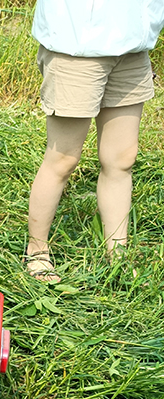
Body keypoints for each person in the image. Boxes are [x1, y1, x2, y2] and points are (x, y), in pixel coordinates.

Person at [26, 1, 164, 281]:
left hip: (133, 48)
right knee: (63, 159)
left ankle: (118, 255)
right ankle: (36, 251)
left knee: (122, 158)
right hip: (76, 45)